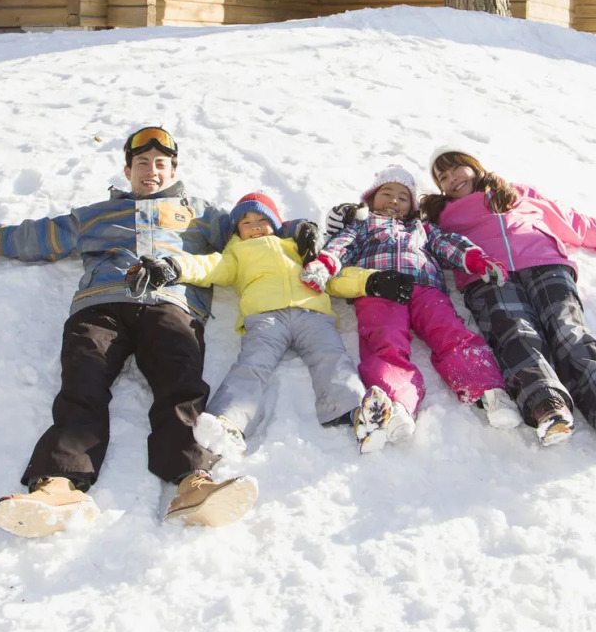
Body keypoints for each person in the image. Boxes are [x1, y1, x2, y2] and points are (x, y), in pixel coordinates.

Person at [0, 126, 316, 537]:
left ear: (174, 170)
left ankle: (194, 483)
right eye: (141, 163)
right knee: (82, 386)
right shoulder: (96, 216)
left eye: (159, 163)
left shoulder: (202, 216)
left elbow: (259, 227)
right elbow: (27, 237)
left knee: (180, 388)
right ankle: (57, 484)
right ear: (127, 168)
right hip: (101, 305)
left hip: (171, 305)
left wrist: (299, 231)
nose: (150, 171)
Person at [123, 191, 417, 457]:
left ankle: (356, 411)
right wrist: (175, 267)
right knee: (253, 365)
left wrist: (372, 281)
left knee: (333, 359)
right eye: (245, 222)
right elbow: (208, 266)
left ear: (275, 223)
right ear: (236, 230)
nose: (253, 226)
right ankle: (229, 421)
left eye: (262, 219)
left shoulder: (297, 248)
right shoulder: (236, 254)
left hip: (312, 314)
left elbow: (333, 277)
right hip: (265, 318)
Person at [417, 147, 596, 451]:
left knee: (568, 329)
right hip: (489, 277)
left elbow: (569, 222)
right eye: (443, 176)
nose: (452, 179)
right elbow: (418, 241)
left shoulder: (516, 193)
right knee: (515, 334)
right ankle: (546, 402)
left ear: (474, 167)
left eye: (457, 169)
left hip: (545, 264)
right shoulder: (442, 215)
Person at [302, 165, 522, 451]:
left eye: (402, 197)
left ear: (412, 207)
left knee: (452, 334)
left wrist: (477, 260)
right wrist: (324, 265)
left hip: (426, 289)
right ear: (370, 199)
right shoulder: (362, 226)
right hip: (381, 288)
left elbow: (449, 244)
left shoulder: (421, 229)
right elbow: (341, 247)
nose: (393, 200)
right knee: (385, 342)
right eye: (386, 193)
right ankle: (397, 404)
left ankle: (489, 391)